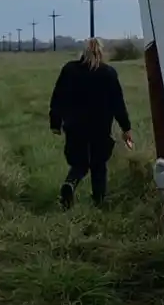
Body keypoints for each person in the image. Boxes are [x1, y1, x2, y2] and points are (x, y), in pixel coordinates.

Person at [49, 38, 134, 209]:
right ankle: (99, 201)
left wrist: (55, 123)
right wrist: (126, 128)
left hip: (74, 125)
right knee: (98, 163)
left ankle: (70, 184)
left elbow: (58, 97)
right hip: (100, 127)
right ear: (101, 52)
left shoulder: (70, 70)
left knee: (79, 163)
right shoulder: (108, 73)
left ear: (83, 52)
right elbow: (118, 104)